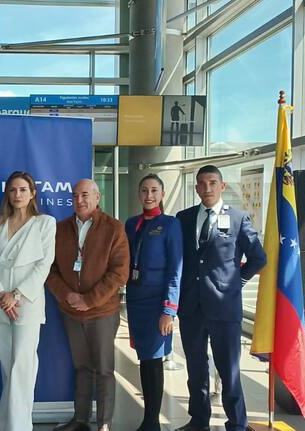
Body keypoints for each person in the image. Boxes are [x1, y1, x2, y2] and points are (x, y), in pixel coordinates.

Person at [174, 165, 266, 431]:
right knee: (196, 368)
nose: (207, 188)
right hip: (191, 306)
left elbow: (259, 257)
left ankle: (237, 423)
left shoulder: (238, 218)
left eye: (213, 183)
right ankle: (199, 420)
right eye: (202, 183)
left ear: (222, 186)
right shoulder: (184, 218)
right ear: (196, 188)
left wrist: (238, 281)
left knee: (229, 369)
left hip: (225, 306)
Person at [46, 179, 129, 431]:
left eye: (84, 195)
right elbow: (49, 269)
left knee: (104, 369)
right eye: (75, 196)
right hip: (70, 312)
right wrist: (66, 295)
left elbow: (119, 273)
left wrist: (89, 300)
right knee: (81, 367)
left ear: (97, 197)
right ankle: (80, 420)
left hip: (102, 312)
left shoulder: (114, 228)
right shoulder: (60, 229)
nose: (79, 200)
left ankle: (104, 422)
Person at [0, 171, 56, 431]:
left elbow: (44, 265)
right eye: (13, 190)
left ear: (32, 193)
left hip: (27, 303)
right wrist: (2, 295)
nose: (17, 195)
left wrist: (16, 295)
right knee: (7, 367)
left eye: (23, 190)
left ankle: (16, 427)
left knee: (21, 367)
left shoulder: (45, 223)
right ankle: (8, 423)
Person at [124, 174, 183, 431]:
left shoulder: (170, 224)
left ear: (162, 193)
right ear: (139, 194)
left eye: (154, 190)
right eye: (145, 190)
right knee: (144, 359)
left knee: (154, 359)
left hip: (158, 304)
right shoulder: (131, 224)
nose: (149, 195)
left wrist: (168, 310)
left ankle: (152, 422)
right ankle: (149, 419)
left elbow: (175, 269)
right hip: (135, 302)